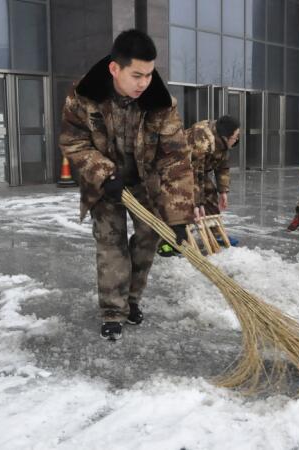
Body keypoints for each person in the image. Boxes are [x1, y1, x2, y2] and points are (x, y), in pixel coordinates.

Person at [59, 29, 195, 340]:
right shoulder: (82, 97)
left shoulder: (162, 103)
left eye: (149, 74)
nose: (144, 83)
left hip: (142, 184)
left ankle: (131, 301)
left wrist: (178, 218)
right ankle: (112, 311)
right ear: (114, 69)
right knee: (111, 244)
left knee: (148, 238)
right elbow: (74, 143)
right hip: (104, 184)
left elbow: (175, 159)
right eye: (136, 75)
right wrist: (104, 173)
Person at [157, 115, 240, 256]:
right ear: (226, 136)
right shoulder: (202, 138)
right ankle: (166, 241)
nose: (237, 139)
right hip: (175, 170)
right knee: (179, 204)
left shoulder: (222, 141)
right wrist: (197, 202)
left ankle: (214, 232)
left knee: (210, 193)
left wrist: (223, 191)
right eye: (235, 136)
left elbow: (223, 167)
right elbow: (194, 174)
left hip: (193, 171)